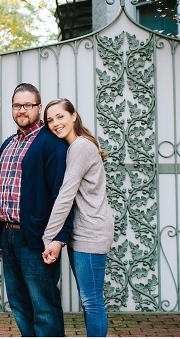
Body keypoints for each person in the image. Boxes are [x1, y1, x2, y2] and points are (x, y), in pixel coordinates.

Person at [0, 83, 74, 337]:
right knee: (19, 304)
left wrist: (59, 238)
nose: (22, 110)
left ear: (39, 107)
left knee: (44, 307)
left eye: (28, 105)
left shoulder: (52, 144)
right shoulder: (8, 144)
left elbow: (63, 195)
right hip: (8, 236)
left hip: (37, 238)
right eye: (17, 105)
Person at [42, 98, 114, 337]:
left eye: (60, 116)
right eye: (50, 120)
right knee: (90, 301)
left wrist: (49, 237)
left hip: (91, 232)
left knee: (92, 302)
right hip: (83, 232)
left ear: (74, 116)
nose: (55, 123)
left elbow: (66, 195)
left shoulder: (80, 147)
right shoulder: (77, 146)